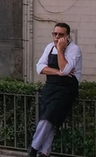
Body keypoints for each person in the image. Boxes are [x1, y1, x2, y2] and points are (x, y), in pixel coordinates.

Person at [30, 23, 82, 157]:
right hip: (50, 87)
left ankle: (33, 149)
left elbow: (65, 69)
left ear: (67, 36)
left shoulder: (74, 49)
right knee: (50, 119)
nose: (57, 37)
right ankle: (44, 152)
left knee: (48, 119)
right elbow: (39, 67)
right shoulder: (49, 47)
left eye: (61, 34)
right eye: (55, 34)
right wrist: (57, 72)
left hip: (66, 90)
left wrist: (60, 50)